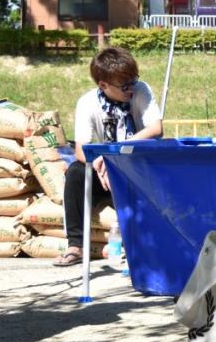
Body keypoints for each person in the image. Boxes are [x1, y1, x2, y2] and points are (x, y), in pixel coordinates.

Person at [53, 47, 162, 267]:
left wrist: (114, 154)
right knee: (75, 172)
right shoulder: (87, 103)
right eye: (124, 85)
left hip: (134, 168)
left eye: (133, 80)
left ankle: (140, 242)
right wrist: (102, 163)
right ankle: (75, 245)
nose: (131, 88)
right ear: (103, 85)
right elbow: (81, 150)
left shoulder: (141, 90)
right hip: (102, 171)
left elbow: (156, 129)